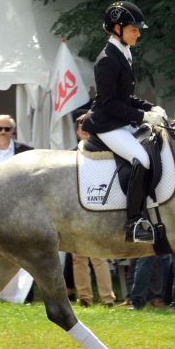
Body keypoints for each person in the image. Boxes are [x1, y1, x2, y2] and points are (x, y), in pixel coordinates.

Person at [81, 1, 168, 243]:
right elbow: (109, 103)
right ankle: (134, 223)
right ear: (118, 28)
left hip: (120, 119)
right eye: (134, 29)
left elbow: (126, 98)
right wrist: (142, 117)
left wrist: (151, 108)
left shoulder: (124, 51)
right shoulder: (107, 59)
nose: (138, 33)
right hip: (107, 123)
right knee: (141, 159)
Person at [70, 115, 117, 307]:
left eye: (87, 124)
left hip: (98, 211)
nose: (83, 128)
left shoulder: (105, 153)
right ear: (76, 130)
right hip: (75, 213)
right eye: (80, 125)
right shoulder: (68, 156)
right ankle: (84, 300)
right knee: (78, 259)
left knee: (99, 257)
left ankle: (107, 299)